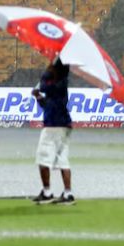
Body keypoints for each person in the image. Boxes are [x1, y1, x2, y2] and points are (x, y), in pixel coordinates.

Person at [31, 57, 76, 205]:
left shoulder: (58, 82)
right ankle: (68, 194)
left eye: (51, 66)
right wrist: (38, 97)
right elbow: (48, 104)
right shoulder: (60, 83)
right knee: (63, 159)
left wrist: (42, 82)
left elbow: (44, 86)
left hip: (54, 126)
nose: (49, 67)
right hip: (62, 124)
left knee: (43, 158)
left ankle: (47, 192)